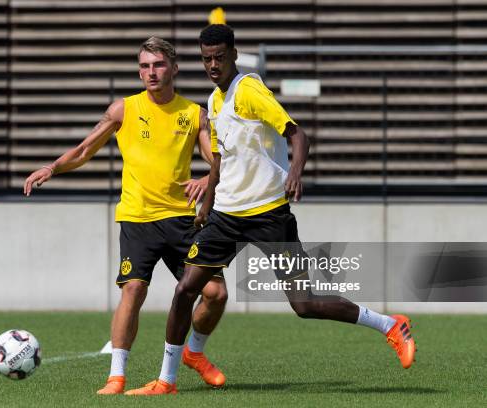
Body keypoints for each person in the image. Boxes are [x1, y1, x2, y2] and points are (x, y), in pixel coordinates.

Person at [126, 24, 416, 396]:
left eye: (218, 57)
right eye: (206, 59)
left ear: (233, 54)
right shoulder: (215, 101)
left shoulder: (250, 90)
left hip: (268, 215)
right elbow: (218, 160)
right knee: (185, 290)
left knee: (305, 304)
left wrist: (295, 173)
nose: (212, 65)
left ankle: (391, 325)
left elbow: (298, 135)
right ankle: (166, 380)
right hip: (226, 218)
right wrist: (208, 204)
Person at [23, 37, 228, 395]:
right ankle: (116, 377)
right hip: (137, 218)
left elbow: (217, 162)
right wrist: (52, 168)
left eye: (158, 65)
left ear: (174, 68)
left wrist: (204, 179)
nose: (151, 72)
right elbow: (86, 149)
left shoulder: (194, 114)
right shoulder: (124, 109)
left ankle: (194, 353)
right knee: (133, 289)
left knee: (216, 293)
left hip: (182, 220)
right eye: (144, 66)